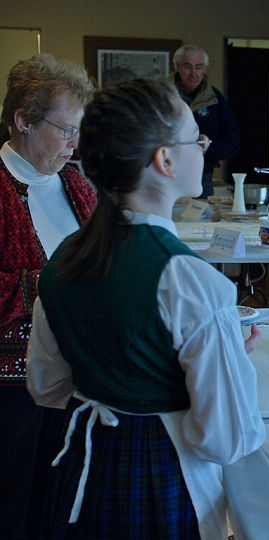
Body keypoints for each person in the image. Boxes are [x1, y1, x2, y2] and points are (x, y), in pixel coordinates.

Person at [26, 78, 265, 538]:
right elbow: (228, 438)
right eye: (197, 137)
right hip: (161, 477)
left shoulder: (63, 260)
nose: (204, 146)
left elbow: (47, 385)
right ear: (165, 159)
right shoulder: (190, 280)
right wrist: (228, 359)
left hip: (84, 469)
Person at [0, 53, 96, 540]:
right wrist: (57, 284)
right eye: (65, 130)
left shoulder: (76, 186)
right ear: (22, 121)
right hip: (11, 389)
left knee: (58, 507)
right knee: (11, 506)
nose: (74, 144)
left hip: (72, 379)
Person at [171, 44, 240, 199]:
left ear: (204, 69)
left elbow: (232, 142)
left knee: (201, 222)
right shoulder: (161, 95)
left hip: (202, 177)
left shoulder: (214, 99)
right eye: (188, 67)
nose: (193, 74)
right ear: (177, 67)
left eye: (199, 67)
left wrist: (207, 145)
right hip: (166, 174)